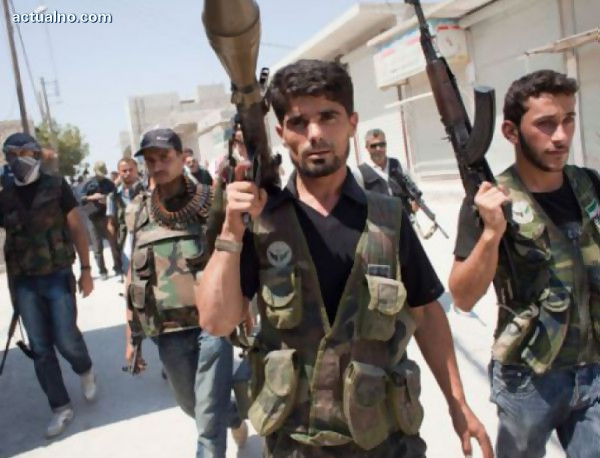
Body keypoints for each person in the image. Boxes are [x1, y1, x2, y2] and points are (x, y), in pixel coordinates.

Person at [196, 59, 492, 458]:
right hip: (294, 446)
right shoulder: (261, 222)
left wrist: (458, 404)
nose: (315, 134)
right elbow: (216, 321)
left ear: (352, 123)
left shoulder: (387, 217)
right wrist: (231, 230)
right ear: (281, 133)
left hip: (386, 442)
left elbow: (426, 314)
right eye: (299, 122)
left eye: (328, 117)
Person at [449, 69, 600, 458]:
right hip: (528, 380)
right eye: (546, 124)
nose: (561, 136)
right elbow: (462, 296)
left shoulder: (590, 186)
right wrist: (491, 234)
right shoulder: (489, 201)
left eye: (568, 120)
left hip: (593, 369)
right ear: (511, 132)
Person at [125, 128, 247, 457]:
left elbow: (236, 253)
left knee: (207, 418)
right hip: (166, 329)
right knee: (192, 405)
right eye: (151, 160)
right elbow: (133, 273)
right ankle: (233, 415)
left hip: (212, 323)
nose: (158, 166)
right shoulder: (136, 210)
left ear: (182, 157)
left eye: (165, 157)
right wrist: (132, 335)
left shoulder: (212, 201)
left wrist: (245, 310)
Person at [0, 133, 97, 438]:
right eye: (12, 154)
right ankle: (61, 407)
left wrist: (86, 270)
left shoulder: (56, 186)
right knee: (40, 348)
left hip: (57, 274)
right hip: (24, 282)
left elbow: (77, 228)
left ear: (37, 155)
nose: (19, 160)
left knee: (66, 338)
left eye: (25, 153)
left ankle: (84, 368)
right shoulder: (4, 195)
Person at [80, 161, 121, 280]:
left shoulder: (109, 183)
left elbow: (116, 197)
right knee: (97, 246)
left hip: (107, 216)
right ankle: (102, 270)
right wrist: (92, 197)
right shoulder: (87, 183)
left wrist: (107, 199)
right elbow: (80, 198)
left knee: (114, 243)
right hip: (92, 217)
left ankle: (117, 267)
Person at [106, 157, 143, 276]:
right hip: (126, 239)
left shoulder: (148, 190)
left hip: (147, 237)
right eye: (124, 171)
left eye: (131, 170)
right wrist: (114, 249)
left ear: (136, 170)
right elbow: (111, 223)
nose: (128, 173)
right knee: (130, 275)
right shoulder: (114, 196)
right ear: (119, 173)